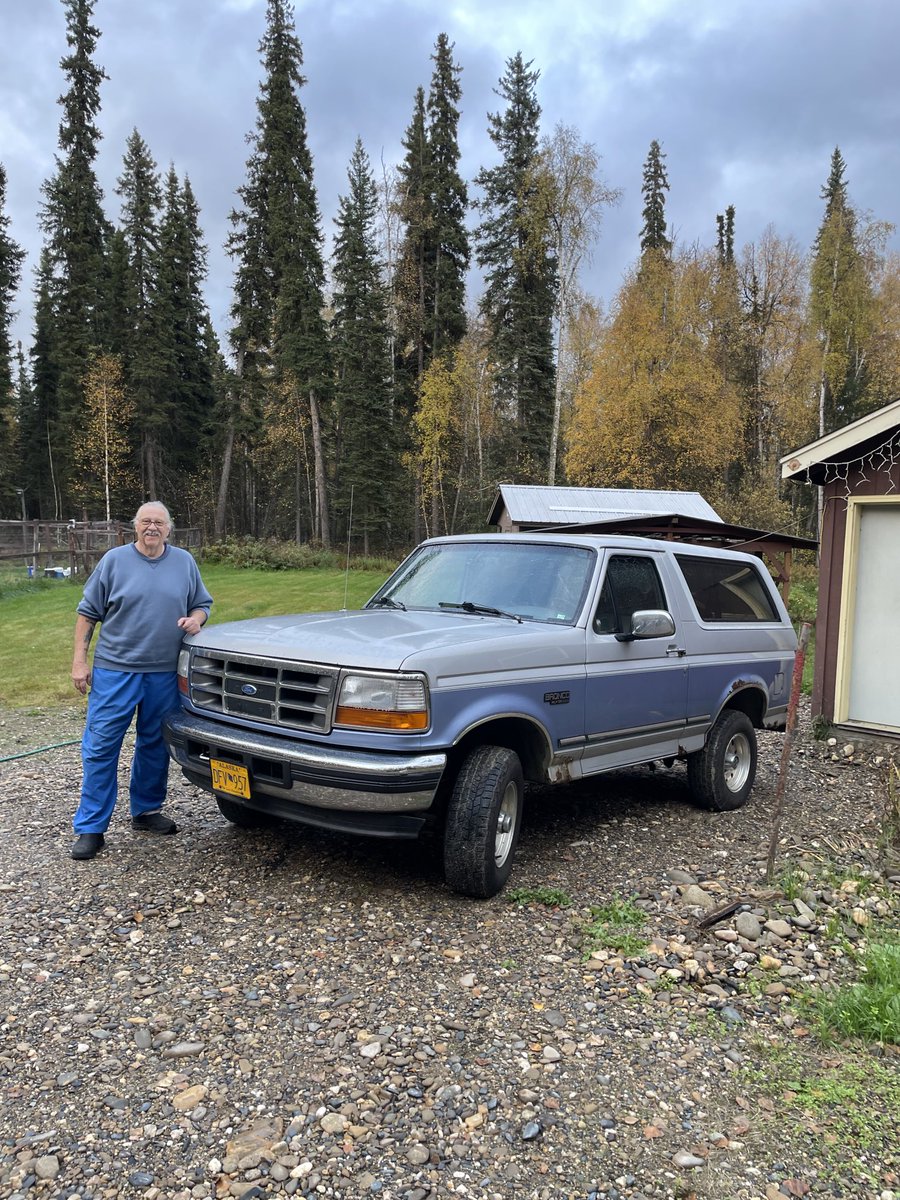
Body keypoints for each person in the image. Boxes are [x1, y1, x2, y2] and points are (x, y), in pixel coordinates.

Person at [69, 502, 213, 861]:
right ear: (135, 527)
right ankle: (91, 827)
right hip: (115, 670)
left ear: (169, 528)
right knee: (101, 746)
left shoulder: (184, 562)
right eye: (146, 522)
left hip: (164, 672)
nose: (152, 528)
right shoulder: (114, 561)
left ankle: (146, 811)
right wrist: (79, 662)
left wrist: (197, 620)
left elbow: (202, 605)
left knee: (154, 743)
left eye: (159, 523)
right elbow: (87, 615)